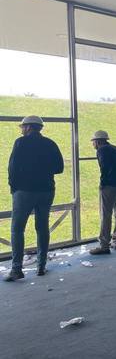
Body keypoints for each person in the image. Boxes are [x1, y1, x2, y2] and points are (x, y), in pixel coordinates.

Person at [5, 116, 64, 281]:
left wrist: (14, 188)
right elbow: (59, 168)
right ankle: (41, 266)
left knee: (17, 229)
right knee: (42, 227)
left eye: (22, 127)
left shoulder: (20, 143)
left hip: (24, 191)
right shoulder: (50, 143)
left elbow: (13, 167)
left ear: (29, 127)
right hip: (46, 191)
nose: (21, 130)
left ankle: (17, 269)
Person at [89, 131, 116, 255]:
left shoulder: (102, 150)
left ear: (98, 141)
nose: (93, 145)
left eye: (93, 142)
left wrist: (103, 183)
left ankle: (104, 245)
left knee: (106, 214)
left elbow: (104, 168)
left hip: (110, 186)